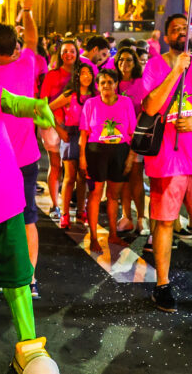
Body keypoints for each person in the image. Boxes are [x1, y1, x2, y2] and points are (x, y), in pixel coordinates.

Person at [141, 13, 192, 315]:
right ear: (166, 37)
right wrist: (176, 71)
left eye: (184, 29)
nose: (180, 32)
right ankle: (162, 285)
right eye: (175, 29)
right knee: (164, 223)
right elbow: (151, 106)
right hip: (167, 160)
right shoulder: (154, 66)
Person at [0, 0, 45, 296]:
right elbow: (33, 38)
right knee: (28, 219)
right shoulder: (27, 64)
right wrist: (27, 11)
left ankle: (3, 275)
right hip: (28, 159)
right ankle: (30, 279)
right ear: (15, 47)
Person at [79, 69, 135, 253]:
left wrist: (130, 158)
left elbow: (132, 133)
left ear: (117, 84)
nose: (106, 86)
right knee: (95, 194)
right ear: (98, 85)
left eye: (110, 82)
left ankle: (113, 234)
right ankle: (93, 237)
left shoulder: (126, 103)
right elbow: (84, 134)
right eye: (102, 82)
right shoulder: (90, 104)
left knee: (113, 196)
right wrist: (82, 158)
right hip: (96, 152)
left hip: (120, 152)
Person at [49, 63, 97, 229]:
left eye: (89, 73)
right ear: (77, 76)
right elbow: (48, 109)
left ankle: (81, 211)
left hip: (89, 137)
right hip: (71, 135)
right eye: (83, 73)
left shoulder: (95, 95)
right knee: (69, 177)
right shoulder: (70, 94)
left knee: (83, 177)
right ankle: (65, 214)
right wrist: (59, 130)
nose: (86, 76)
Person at [39, 41, 79, 223]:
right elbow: (43, 105)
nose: (68, 54)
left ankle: (70, 205)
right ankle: (55, 204)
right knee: (56, 165)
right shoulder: (52, 75)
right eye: (65, 51)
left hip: (75, 126)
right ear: (60, 54)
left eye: (72, 51)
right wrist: (58, 128)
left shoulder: (82, 74)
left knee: (73, 170)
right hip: (52, 125)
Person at [115, 47, 147, 235]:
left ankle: (141, 218)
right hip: (116, 139)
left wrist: (136, 135)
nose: (124, 64)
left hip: (136, 137)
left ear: (135, 63)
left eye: (128, 60)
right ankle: (126, 217)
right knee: (122, 179)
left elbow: (146, 110)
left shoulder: (141, 83)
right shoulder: (114, 82)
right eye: (121, 60)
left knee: (136, 178)